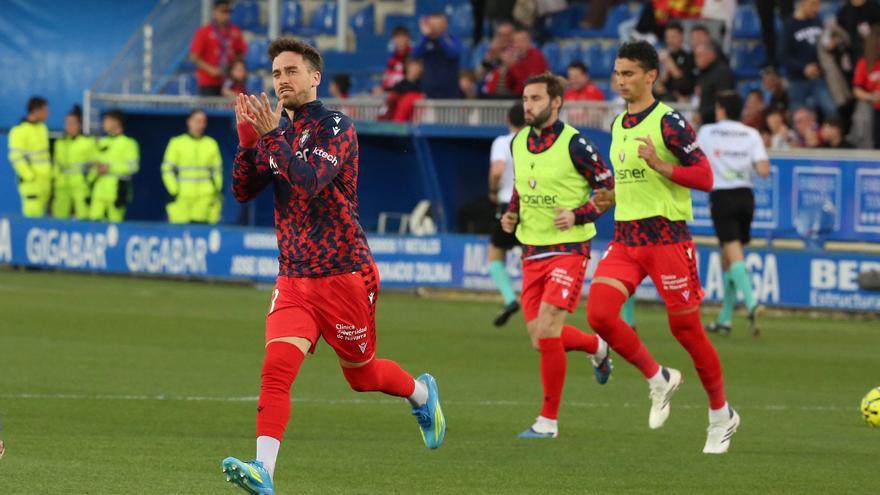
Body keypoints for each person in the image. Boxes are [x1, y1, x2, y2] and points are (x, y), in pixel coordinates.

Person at [221, 37, 446, 494]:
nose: (282, 79)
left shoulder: (336, 126)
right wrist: (248, 146)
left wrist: (269, 137)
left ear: (314, 77)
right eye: (277, 73)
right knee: (275, 369)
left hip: (344, 274)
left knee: (362, 377)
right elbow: (243, 191)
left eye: (291, 71)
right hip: (294, 277)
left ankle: (421, 394)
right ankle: (264, 470)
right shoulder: (277, 131)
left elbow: (307, 182)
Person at [588, 41, 739, 454]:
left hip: (667, 240)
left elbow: (706, 177)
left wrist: (662, 165)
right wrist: (608, 197)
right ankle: (659, 378)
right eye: (618, 73)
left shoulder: (669, 122)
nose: (621, 80)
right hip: (626, 238)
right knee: (599, 313)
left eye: (629, 73)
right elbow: (632, 184)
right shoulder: (619, 124)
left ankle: (721, 415)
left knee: (685, 330)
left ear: (651, 76)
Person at [500, 72, 614, 439]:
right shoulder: (517, 142)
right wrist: (513, 212)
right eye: (525, 98)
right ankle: (597, 346)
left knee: (548, 329)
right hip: (532, 248)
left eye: (535, 99)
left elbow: (608, 191)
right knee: (541, 338)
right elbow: (521, 185)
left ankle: (547, 422)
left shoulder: (577, 144)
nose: (527, 105)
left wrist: (578, 215)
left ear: (556, 102)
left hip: (569, 248)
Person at [697, 91, 771, 337]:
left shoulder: (708, 132)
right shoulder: (751, 134)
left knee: (732, 251)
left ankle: (751, 303)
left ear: (721, 109)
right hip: (746, 197)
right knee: (727, 257)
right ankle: (725, 319)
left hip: (722, 196)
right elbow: (763, 169)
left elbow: (694, 158)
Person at [488, 102, 525, 326]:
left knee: (495, 253)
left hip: (508, 205)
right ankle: (537, 301)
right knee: (530, 255)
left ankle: (510, 298)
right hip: (532, 205)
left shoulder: (503, 142)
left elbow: (497, 170)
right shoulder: (533, 141)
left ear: (508, 120)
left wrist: (493, 189)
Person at [161, 109, 223, 224]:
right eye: (197, 121)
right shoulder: (176, 142)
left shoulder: (211, 144)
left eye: (203, 121)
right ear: (189, 121)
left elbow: (217, 171)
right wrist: (174, 190)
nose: (200, 124)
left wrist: (216, 190)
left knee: (201, 233)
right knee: (178, 235)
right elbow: (167, 169)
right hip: (181, 198)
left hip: (205, 198)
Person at [781, 0, 839, 120]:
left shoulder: (818, 22)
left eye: (818, 4)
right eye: (812, 4)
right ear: (802, 3)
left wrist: (830, 47)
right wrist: (803, 68)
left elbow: (824, 48)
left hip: (819, 76)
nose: (816, 8)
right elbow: (783, 56)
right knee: (798, 117)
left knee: (832, 111)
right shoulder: (789, 26)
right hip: (797, 80)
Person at [89, 110, 139, 222]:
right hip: (98, 192)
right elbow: (95, 162)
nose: (104, 124)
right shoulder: (101, 141)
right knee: (93, 225)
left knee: (115, 226)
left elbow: (133, 167)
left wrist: (109, 168)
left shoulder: (129, 143)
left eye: (106, 121)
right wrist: (95, 170)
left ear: (116, 122)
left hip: (116, 192)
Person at [190, 0, 247, 96]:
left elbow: (241, 53)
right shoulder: (204, 32)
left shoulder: (235, 31)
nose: (227, 15)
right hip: (208, 81)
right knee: (209, 109)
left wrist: (234, 68)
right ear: (214, 12)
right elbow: (194, 56)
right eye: (223, 12)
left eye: (229, 12)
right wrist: (211, 70)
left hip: (230, 81)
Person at [52, 105, 98, 220]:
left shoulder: (88, 142)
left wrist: (88, 181)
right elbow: (56, 165)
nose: (69, 126)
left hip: (81, 186)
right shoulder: (60, 143)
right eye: (67, 123)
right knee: (59, 217)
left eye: (73, 123)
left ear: (79, 124)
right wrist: (55, 179)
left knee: (83, 216)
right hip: (62, 186)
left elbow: (94, 164)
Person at [7, 96, 50, 218]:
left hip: (45, 184)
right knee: (32, 221)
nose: (47, 114)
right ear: (36, 110)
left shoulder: (43, 128)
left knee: (43, 223)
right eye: (45, 110)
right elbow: (15, 157)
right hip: (31, 185)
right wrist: (30, 177)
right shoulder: (18, 131)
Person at [412, 12, 462, 99]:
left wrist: (440, 37)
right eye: (432, 24)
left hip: (450, 94)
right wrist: (425, 36)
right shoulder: (425, 40)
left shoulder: (453, 39)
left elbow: (453, 54)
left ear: (445, 25)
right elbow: (415, 54)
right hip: (428, 93)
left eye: (437, 24)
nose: (434, 27)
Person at [693, 42, 734, 125]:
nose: (697, 60)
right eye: (696, 56)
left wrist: (703, 115)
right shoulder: (703, 72)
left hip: (717, 123)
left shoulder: (722, 73)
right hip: (705, 121)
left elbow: (723, 100)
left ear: (711, 55)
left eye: (700, 56)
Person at [657, 21, 695, 102]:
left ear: (682, 36)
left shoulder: (689, 56)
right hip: (663, 97)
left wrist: (669, 62)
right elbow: (659, 85)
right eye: (668, 37)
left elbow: (685, 85)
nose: (670, 40)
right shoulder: (664, 54)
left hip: (683, 100)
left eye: (673, 36)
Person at [380, 26, 411, 92]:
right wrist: (382, 88)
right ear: (393, 40)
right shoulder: (392, 59)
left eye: (403, 37)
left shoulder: (412, 57)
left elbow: (411, 81)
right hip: (389, 92)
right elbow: (386, 79)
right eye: (397, 37)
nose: (400, 40)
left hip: (404, 93)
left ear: (408, 38)